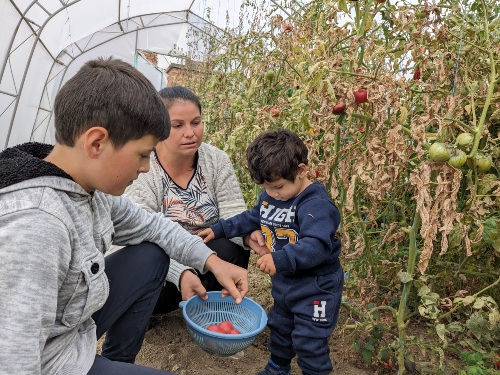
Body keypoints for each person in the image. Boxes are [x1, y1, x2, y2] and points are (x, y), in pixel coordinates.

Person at [0, 57, 248, 375]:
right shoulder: (37, 227)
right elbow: (14, 362)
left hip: (68, 332)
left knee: (151, 253)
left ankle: (117, 363)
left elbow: (154, 226)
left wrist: (213, 262)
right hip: (49, 362)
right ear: (96, 142)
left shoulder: (86, 188)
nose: (146, 167)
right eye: (143, 155)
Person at [199, 128, 344, 375]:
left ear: (300, 171)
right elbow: (252, 218)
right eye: (267, 188)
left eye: (278, 187)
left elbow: (317, 246)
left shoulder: (315, 205)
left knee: (309, 340)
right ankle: (277, 368)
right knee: (280, 328)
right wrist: (220, 229)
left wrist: (280, 258)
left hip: (316, 288)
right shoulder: (271, 198)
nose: (273, 194)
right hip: (286, 284)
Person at [122, 86, 267, 315]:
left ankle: (218, 306)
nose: (190, 133)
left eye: (196, 122)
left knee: (232, 246)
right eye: (177, 125)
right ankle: (163, 301)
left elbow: (233, 212)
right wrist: (180, 272)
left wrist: (248, 235)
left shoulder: (215, 160)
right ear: (158, 127)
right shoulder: (144, 167)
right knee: (148, 275)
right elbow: (140, 234)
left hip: (207, 253)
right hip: (165, 258)